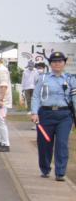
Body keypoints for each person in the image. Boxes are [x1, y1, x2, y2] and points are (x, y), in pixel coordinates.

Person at [31, 51, 75, 181]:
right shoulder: (43, 78)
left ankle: (60, 172)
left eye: (60, 61)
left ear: (64, 63)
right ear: (50, 64)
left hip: (64, 115)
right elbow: (36, 96)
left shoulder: (70, 79)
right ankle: (45, 168)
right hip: (45, 114)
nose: (57, 64)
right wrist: (34, 112)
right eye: (54, 62)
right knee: (44, 144)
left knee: (62, 144)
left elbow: (74, 98)